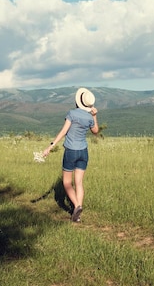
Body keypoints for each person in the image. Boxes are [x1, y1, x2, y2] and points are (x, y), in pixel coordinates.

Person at [42, 87, 99, 222]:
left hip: (71, 151)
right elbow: (95, 131)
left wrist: (50, 147)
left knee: (67, 182)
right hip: (83, 152)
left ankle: (77, 206)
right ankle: (77, 215)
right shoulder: (89, 117)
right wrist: (95, 115)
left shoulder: (72, 114)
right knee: (78, 182)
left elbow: (63, 132)